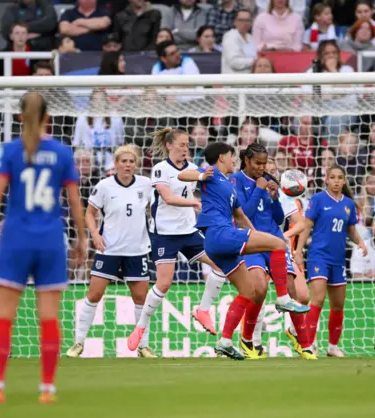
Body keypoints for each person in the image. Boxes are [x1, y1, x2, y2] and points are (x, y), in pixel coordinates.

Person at [0, 92, 87, 404]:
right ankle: (47, 389)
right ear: (48, 118)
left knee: (4, 317)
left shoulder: (10, 150)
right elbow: (75, 202)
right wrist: (81, 238)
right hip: (50, 240)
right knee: (49, 317)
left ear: (20, 117)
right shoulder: (62, 152)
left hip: (15, 239)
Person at [176, 142, 309, 360]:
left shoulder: (229, 186)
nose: (233, 160)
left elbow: (240, 217)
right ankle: (283, 298)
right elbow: (183, 175)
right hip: (220, 234)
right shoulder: (212, 174)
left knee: (249, 291)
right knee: (278, 244)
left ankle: (225, 341)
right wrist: (200, 176)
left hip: (220, 241)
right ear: (221, 158)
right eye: (230, 156)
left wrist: (258, 235)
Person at [125, 129, 226, 346]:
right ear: (169, 145)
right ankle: (140, 326)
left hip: (188, 230)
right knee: (163, 284)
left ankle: (203, 310)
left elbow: (209, 180)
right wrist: (195, 203)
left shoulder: (192, 168)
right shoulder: (160, 169)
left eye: (187, 145)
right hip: (165, 233)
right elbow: (168, 197)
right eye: (181, 144)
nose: (185, 148)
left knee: (221, 266)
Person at [66, 145, 155, 359]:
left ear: (136, 164)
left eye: (131, 161)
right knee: (94, 294)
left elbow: (155, 210)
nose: (127, 165)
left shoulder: (146, 185)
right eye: (123, 161)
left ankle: (143, 346)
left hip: (137, 250)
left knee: (141, 298)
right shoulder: (104, 186)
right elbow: (90, 213)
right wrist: (95, 234)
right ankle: (78, 343)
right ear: (115, 164)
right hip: (109, 249)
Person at [229, 143, 315, 359]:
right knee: (258, 289)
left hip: (274, 242)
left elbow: (278, 219)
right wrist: (259, 189)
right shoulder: (236, 181)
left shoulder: (270, 181)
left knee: (292, 291)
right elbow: (243, 215)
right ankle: (248, 340)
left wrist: (275, 197)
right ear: (246, 161)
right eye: (257, 163)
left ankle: (305, 345)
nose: (261, 167)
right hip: (251, 242)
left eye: (264, 163)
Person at [295, 165, 367, 357]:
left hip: (338, 259)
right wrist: (298, 251)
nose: (336, 181)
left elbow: (350, 230)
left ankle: (332, 346)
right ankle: (307, 344)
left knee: (338, 305)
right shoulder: (318, 199)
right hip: (318, 255)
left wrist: (360, 242)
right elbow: (306, 225)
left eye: (340, 178)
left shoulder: (348, 204)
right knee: (317, 299)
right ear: (326, 179)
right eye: (332, 177)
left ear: (344, 181)